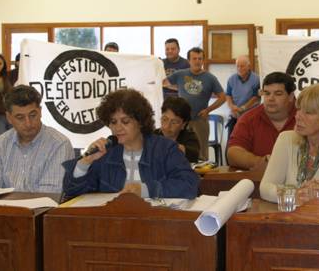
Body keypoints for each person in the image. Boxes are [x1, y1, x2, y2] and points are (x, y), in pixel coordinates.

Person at [62, 88, 199, 200]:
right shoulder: (104, 152)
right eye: (113, 122)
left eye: (125, 121)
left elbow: (190, 185)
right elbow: (71, 191)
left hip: (157, 223)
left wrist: (145, 190)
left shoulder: (165, 148)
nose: (117, 128)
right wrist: (85, 162)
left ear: (140, 121)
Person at [0, 85, 75, 192]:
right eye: (20, 117)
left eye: (33, 115)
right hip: (5, 208)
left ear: (40, 111)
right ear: (9, 118)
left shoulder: (59, 144)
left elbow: (50, 196)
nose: (28, 123)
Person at [165, 47, 226, 161]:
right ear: (189, 60)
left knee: (201, 154)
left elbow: (223, 97)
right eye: (194, 58)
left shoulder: (210, 78)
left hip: (199, 121)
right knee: (178, 152)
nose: (197, 61)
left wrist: (208, 110)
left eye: (200, 59)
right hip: (181, 121)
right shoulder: (180, 74)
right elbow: (163, 83)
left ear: (203, 60)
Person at [227, 72, 296, 170]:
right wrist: (259, 162)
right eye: (267, 93)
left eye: (278, 94)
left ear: (291, 96)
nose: (270, 99)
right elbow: (233, 153)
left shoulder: (307, 116)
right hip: (260, 181)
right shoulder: (248, 119)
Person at [154, 96, 200, 163]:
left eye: (174, 122)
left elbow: (193, 155)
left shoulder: (190, 137)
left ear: (183, 125)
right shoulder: (153, 135)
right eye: (164, 119)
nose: (167, 126)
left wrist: (174, 148)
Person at [225, 55, 260, 139]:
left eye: (242, 66)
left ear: (248, 66)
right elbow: (228, 95)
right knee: (232, 141)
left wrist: (243, 108)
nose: (239, 68)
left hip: (251, 116)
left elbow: (256, 97)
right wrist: (232, 107)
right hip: (234, 115)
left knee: (248, 141)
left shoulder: (256, 79)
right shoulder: (231, 79)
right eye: (237, 66)